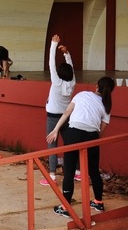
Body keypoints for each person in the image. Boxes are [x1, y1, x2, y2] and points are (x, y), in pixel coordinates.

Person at [47, 77, 115, 217]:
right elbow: (102, 129)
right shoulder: (107, 105)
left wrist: (55, 130)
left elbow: (66, 113)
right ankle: (98, 202)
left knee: (70, 171)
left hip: (74, 133)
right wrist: (93, 139)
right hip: (92, 136)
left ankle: (65, 207)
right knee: (94, 171)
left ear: (96, 86)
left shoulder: (82, 94)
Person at [40, 35, 76, 186]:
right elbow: (72, 70)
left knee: (52, 145)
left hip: (53, 116)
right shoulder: (73, 83)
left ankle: (52, 176)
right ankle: (76, 172)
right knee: (70, 144)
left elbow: (51, 64)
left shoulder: (56, 82)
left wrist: (53, 45)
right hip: (67, 116)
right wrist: (67, 54)